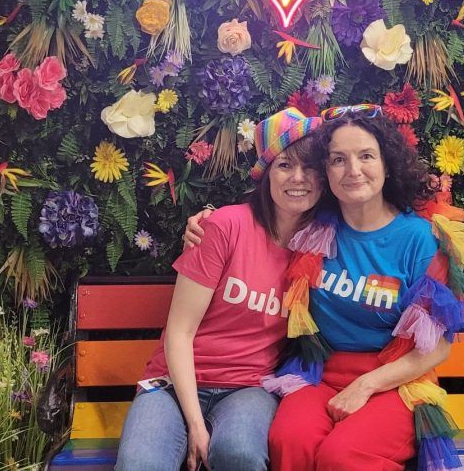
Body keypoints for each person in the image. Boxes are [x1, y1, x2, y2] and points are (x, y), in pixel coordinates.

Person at [185, 104, 464, 470]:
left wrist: (366, 385)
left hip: (396, 381)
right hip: (319, 374)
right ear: (327, 172)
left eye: (366, 156)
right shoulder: (313, 227)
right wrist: (203, 223)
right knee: (289, 439)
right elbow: (261, 221)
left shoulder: (419, 239)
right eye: (338, 159)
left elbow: (435, 349)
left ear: (387, 164)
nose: (353, 170)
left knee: (341, 456)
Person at [115, 107, 324, 471]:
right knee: (139, 464)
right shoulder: (225, 226)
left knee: (239, 454)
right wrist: (196, 424)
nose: (299, 178)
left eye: (310, 168)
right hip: (172, 383)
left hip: (249, 388)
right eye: (285, 165)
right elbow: (180, 331)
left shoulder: (323, 244)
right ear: (266, 173)